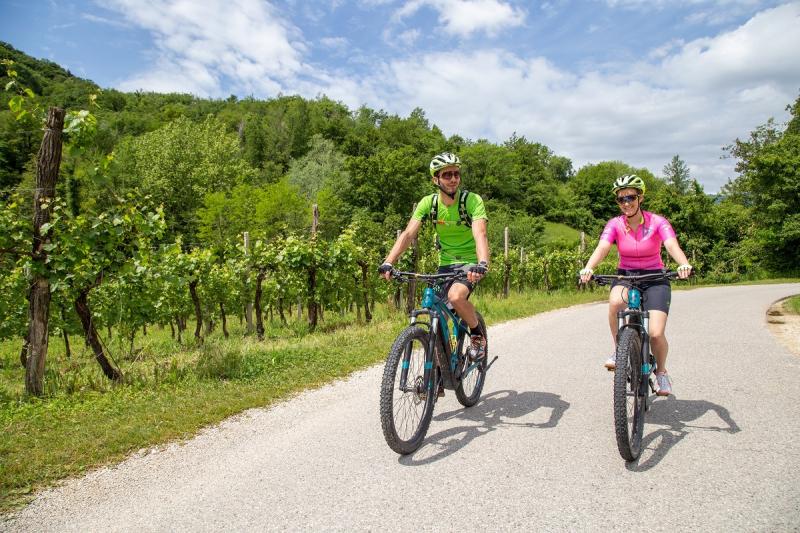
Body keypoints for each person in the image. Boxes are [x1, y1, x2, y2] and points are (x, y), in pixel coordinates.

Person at [579, 174, 692, 396]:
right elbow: (602, 248)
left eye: (630, 197)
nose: (626, 203)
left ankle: (661, 373)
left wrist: (683, 264)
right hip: (627, 276)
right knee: (614, 303)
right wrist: (588, 267)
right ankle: (619, 350)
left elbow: (671, 246)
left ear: (640, 198)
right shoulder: (615, 224)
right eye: (621, 199)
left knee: (656, 333)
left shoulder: (658, 222)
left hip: (655, 278)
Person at [379, 152, 490, 362]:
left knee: (456, 297)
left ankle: (476, 335)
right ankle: (438, 374)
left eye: (456, 174)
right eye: (447, 175)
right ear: (435, 179)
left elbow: (480, 233)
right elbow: (408, 234)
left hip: (469, 265)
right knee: (434, 313)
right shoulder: (428, 204)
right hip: (445, 265)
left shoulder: (472, 201)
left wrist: (482, 263)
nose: (453, 178)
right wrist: (388, 261)